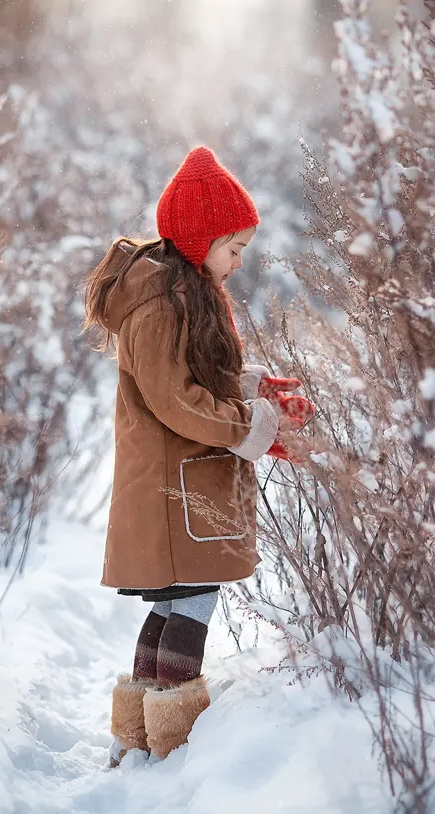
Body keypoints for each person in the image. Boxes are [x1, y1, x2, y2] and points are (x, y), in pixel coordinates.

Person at [82, 146, 315, 767]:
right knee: (190, 600)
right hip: (173, 485)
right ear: (198, 238)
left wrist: (250, 389)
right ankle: (171, 738)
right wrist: (252, 425)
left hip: (186, 479)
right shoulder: (161, 304)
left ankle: (138, 734)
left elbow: (199, 379)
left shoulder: (187, 290)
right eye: (233, 248)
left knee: (174, 602)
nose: (240, 262)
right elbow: (177, 402)